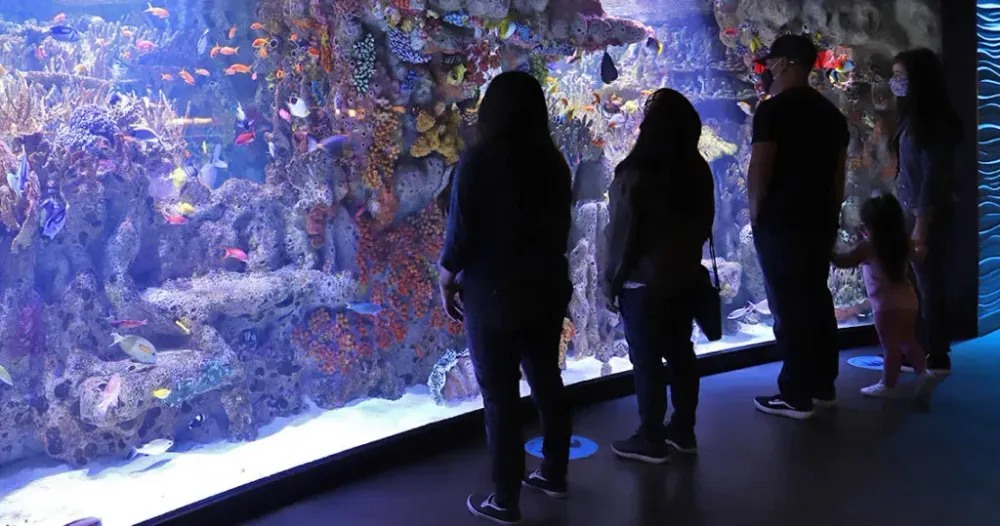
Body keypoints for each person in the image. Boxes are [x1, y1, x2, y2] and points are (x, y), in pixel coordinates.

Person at [439, 71, 573, 526]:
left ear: (491, 111)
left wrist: (446, 278)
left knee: (500, 396)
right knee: (546, 380)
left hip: (492, 290)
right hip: (547, 285)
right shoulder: (555, 164)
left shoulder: (477, 163)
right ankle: (554, 473)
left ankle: (505, 499)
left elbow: (460, 234)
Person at [601, 88, 715, 463]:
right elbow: (704, 225)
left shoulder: (636, 172)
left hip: (643, 284)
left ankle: (650, 436)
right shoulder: (698, 169)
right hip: (683, 277)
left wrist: (608, 283)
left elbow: (619, 235)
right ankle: (683, 430)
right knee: (681, 352)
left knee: (647, 360)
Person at [748, 34, 849, 419]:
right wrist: (832, 216)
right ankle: (823, 384)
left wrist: (757, 217)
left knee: (787, 306)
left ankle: (795, 392)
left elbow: (760, 170)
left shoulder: (773, 112)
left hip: (781, 223)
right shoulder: (831, 114)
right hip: (819, 220)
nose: (766, 70)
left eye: (768, 63)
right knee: (816, 298)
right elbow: (839, 178)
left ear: (787, 63)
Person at [889, 48, 961, 376]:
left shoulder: (935, 122)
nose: (896, 83)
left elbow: (933, 174)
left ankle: (936, 353)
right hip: (912, 211)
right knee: (919, 283)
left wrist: (921, 221)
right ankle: (922, 348)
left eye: (902, 77)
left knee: (929, 283)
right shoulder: (913, 116)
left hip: (927, 213)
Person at [832, 194, 939, 398]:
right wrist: (922, 247)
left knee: (890, 347)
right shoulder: (903, 242)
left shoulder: (868, 247)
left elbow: (843, 261)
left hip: (886, 306)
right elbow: (919, 254)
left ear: (868, 224)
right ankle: (924, 373)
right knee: (908, 340)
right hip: (909, 301)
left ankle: (887, 386)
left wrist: (828, 248)